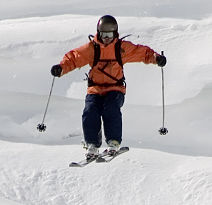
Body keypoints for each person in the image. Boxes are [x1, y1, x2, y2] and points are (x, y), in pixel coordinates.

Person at [50, 15, 166, 156]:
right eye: (103, 34)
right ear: (98, 33)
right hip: (95, 89)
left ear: (115, 33)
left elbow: (141, 53)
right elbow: (74, 58)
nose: (106, 38)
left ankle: (113, 142)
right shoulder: (92, 49)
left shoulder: (121, 48)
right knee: (90, 110)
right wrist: (61, 68)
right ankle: (92, 144)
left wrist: (156, 58)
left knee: (110, 109)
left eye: (109, 34)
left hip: (115, 88)